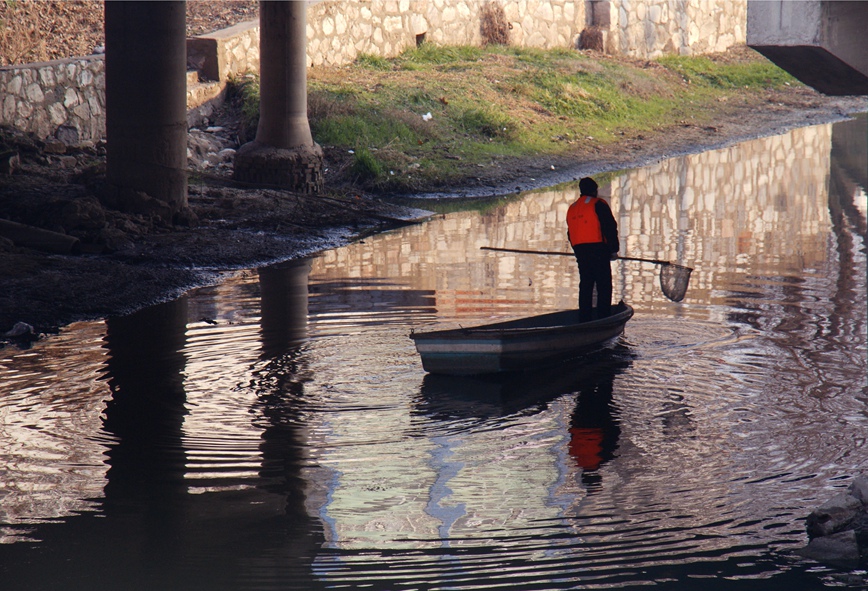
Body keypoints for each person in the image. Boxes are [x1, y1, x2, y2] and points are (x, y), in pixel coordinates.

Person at [566, 177, 619, 321]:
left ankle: (584, 317)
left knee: (586, 283)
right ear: (594, 191)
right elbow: (609, 227)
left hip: (581, 252)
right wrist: (614, 249)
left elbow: (570, 233)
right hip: (598, 249)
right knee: (603, 284)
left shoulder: (572, 208)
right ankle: (604, 317)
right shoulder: (598, 204)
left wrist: (577, 251)